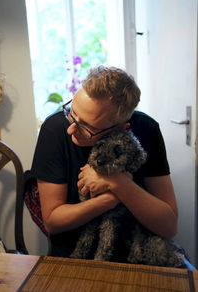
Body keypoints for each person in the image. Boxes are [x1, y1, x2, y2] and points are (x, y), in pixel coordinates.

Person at [30, 65, 178, 259]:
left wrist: (118, 182)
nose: (71, 129)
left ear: (122, 129)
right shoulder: (54, 130)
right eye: (71, 112)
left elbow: (169, 226)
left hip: (137, 253)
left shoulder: (146, 130)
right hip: (75, 254)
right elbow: (53, 221)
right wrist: (109, 200)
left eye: (87, 127)